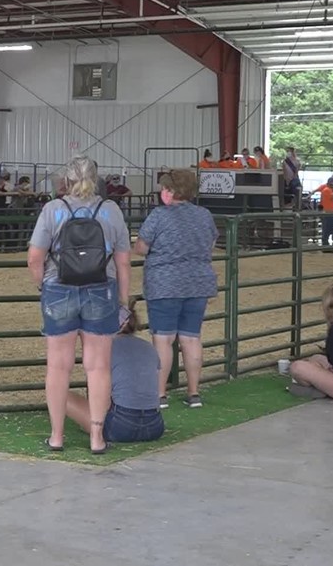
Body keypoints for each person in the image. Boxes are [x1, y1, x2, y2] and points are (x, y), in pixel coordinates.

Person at [28, 155, 131, 454]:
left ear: (67, 180)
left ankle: (57, 436)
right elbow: (124, 262)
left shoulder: (53, 210)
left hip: (58, 289)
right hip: (102, 290)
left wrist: (42, 285)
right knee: (98, 367)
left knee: (58, 367)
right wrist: (123, 301)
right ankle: (97, 437)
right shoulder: (111, 211)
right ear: (97, 180)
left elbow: (34, 258)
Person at [132, 169, 217, 408]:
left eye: (164, 188)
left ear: (171, 191)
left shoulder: (159, 216)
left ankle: (160, 395)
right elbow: (210, 243)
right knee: (191, 338)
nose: (161, 192)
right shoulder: (204, 215)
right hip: (198, 282)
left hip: (165, 284)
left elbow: (141, 248)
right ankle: (194, 393)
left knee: (163, 339)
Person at [65, 301, 164, 444]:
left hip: (120, 427)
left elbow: (100, 394)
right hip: (155, 426)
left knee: (61, 395)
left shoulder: (103, 349)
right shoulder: (149, 347)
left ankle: (93, 429)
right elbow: (158, 390)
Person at [314, 175, 333, 248]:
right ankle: (326, 244)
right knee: (328, 230)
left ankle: (331, 244)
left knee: (330, 229)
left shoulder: (325, 189)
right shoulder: (327, 190)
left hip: (329, 212)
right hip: (328, 213)